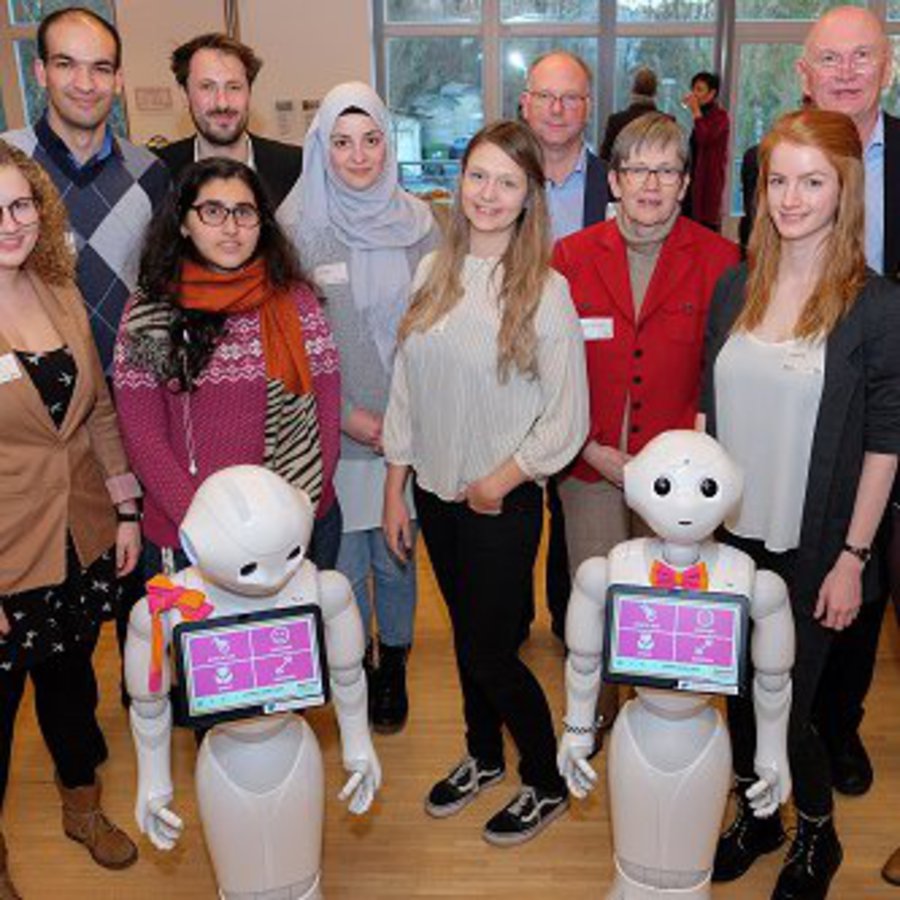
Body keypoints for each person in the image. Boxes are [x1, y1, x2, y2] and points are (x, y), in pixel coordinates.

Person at [700, 109, 900, 898]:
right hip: (732, 540)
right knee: (741, 696)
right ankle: (759, 815)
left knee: (800, 710)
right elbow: (706, 414)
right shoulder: (734, 286)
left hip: (818, 546)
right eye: (777, 180)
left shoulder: (876, 305)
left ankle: (817, 832)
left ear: (844, 189)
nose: (789, 198)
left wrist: (854, 558)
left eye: (811, 182)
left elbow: (887, 443)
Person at [383, 120, 589, 847]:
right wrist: (394, 488)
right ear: (459, 181)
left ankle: (544, 777)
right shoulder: (431, 272)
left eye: (508, 181)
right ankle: (482, 755)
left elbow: (566, 420)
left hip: (501, 502)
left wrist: (498, 482)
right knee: (471, 640)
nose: (490, 194)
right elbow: (405, 386)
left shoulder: (546, 292)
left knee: (490, 650)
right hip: (435, 496)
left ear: (530, 195)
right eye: (479, 176)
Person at [740, 5, 899, 798]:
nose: (844, 71)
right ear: (803, 73)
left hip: (883, 408)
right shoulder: (764, 167)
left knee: (858, 595)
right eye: (827, 59)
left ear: (888, 66)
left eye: (860, 56)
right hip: (798, 413)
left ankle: (835, 730)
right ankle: (795, 748)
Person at [552, 112, 739, 747]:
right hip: (590, 465)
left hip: (680, 478)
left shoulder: (722, 262)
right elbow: (550, 372)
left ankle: (663, 717)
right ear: (615, 180)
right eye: (637, 169)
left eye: (666, 170)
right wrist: (590, 449)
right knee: (600, 594)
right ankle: (597, 714)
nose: (651, 184)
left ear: (685, 183)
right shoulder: (570, 259)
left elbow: (723, 376)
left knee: (666, 607)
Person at [0, 139, 143, 896]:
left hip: (78, 533)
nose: (10, 223)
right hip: (5, 553)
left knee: (70, 687)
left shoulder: (58, 288)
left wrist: (124, 508)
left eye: (20, 204)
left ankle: (81, 806)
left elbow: (98, 412)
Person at [113, 158, 341, 577]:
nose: (231, 227)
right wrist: (211, 527)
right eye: (212, 212)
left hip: (297, 532)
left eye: (244, 212)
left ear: (262, 223)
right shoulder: (148, 313)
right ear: (183, 222)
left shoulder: (298, 302)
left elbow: (327, 418)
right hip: (192, 538)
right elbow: (143, 436)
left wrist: (290, 519)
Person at [292, 81, 438, 734]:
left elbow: (437, 328)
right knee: (345, 565)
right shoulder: (296, 230)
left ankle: (395, 664)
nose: (359, 157)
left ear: (389, 142)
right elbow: (288, 342)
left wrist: (403, 422)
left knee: (395, 555)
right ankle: (356, 662)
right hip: (336, 430)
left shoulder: (423, 225)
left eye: (372, 140)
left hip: (406, 431)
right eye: (342, 143)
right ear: (322, 148)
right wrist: (344, 414)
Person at [1, 7, 169, 372]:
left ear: (119, 79)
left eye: (101, 68)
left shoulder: (150, 173)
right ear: (41, 73)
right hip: (35, 393)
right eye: (66, 64)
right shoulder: (8, 164)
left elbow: (163, 290)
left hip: (130, 386)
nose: (85, 83)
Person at [520, 49, 608, 642]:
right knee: (518, 491)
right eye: (545, 96)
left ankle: (564, 610)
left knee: (572, 491)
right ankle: (513, 615)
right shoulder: (499, 176)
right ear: (525, 104)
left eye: (570, 97)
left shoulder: (617, 183)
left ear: (587, 108)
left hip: (589, 358)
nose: (557, 109)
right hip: (512, 360)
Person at [154, 33, 303, 217]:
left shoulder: (298, 168)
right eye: (207, 87)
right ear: (185, 96)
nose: (222, 103)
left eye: (234, 87)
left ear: (249, 93)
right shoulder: (158, 172)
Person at [682, 71, 729, 232]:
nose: (695, 94)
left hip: (708, 183)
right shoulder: (703, 116)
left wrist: (695, 112)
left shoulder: (721, 117)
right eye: (693, 89)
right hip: (692, 182)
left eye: (700, 89)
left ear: (712, 93)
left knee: (705, 229)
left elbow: (705, 138)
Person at [599, 66, 659, 162]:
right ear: (655, 91)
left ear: (633, 89)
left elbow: (605, 159)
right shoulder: (668, 121)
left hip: (623, 175)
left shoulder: (616, 121)